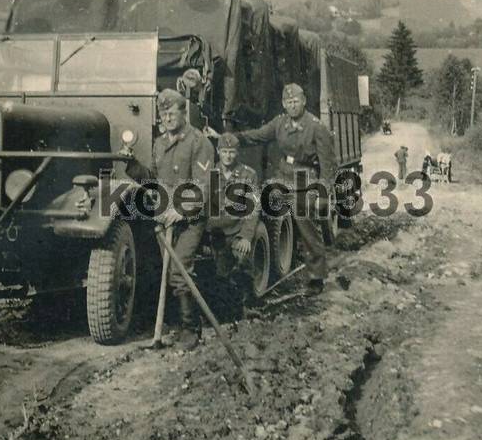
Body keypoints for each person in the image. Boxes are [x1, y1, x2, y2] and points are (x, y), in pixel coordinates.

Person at [125, 88, 214, 347]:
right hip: (165, 218)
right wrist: (131, 165)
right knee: (163, 272)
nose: (167, 118)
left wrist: (181, 211)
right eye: (163, 114)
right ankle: (166, 326)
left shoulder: (199, 143)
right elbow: (154, 180)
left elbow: (202, 187)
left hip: (190, 219)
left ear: (183, 113)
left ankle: (191, 330)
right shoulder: (160, 143)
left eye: (171, 113)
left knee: (179, 271)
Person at [233, 83, 338, 295]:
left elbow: (328, 166)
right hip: (282, 175)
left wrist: (322, 194)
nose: (292, 105)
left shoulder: (316, 127)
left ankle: (316, 278)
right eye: (288, 102)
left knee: (306, 225)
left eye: (296, 101)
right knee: (259, 205)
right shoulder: (280, 123)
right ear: (283, 104)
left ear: (304, 101)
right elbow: (259, 135)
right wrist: (235, 138)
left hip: (305, 178)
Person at [206, 132, 259, 303]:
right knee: (219, 277)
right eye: (224, 152)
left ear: (237, 153)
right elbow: (204, 206)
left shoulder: (247, 175)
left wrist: (245, 237)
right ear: (218, 151)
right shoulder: (210, 174)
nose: (228, 156)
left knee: (242, 266)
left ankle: (247, 306)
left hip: (237, 231)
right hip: (217, 234)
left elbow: (252, 209)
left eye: (231, 152)